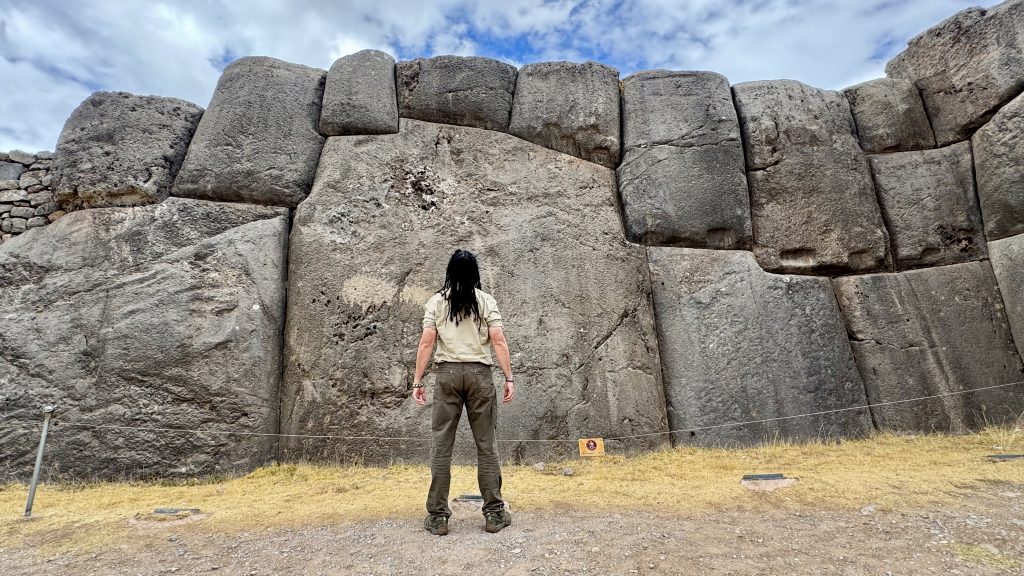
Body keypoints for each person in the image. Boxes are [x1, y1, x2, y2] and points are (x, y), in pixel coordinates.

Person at [412, 249, 515, 536]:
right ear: (475, 273)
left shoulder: (436, 302)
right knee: (486, 445)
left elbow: (426, 343)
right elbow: (498, 340)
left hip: (447, 375)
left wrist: (418, 381)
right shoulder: (485, 301)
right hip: (480, 376)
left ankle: (438, 516)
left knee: (442, 445)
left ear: (449, 272)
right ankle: (494, 513)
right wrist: (508, 377)